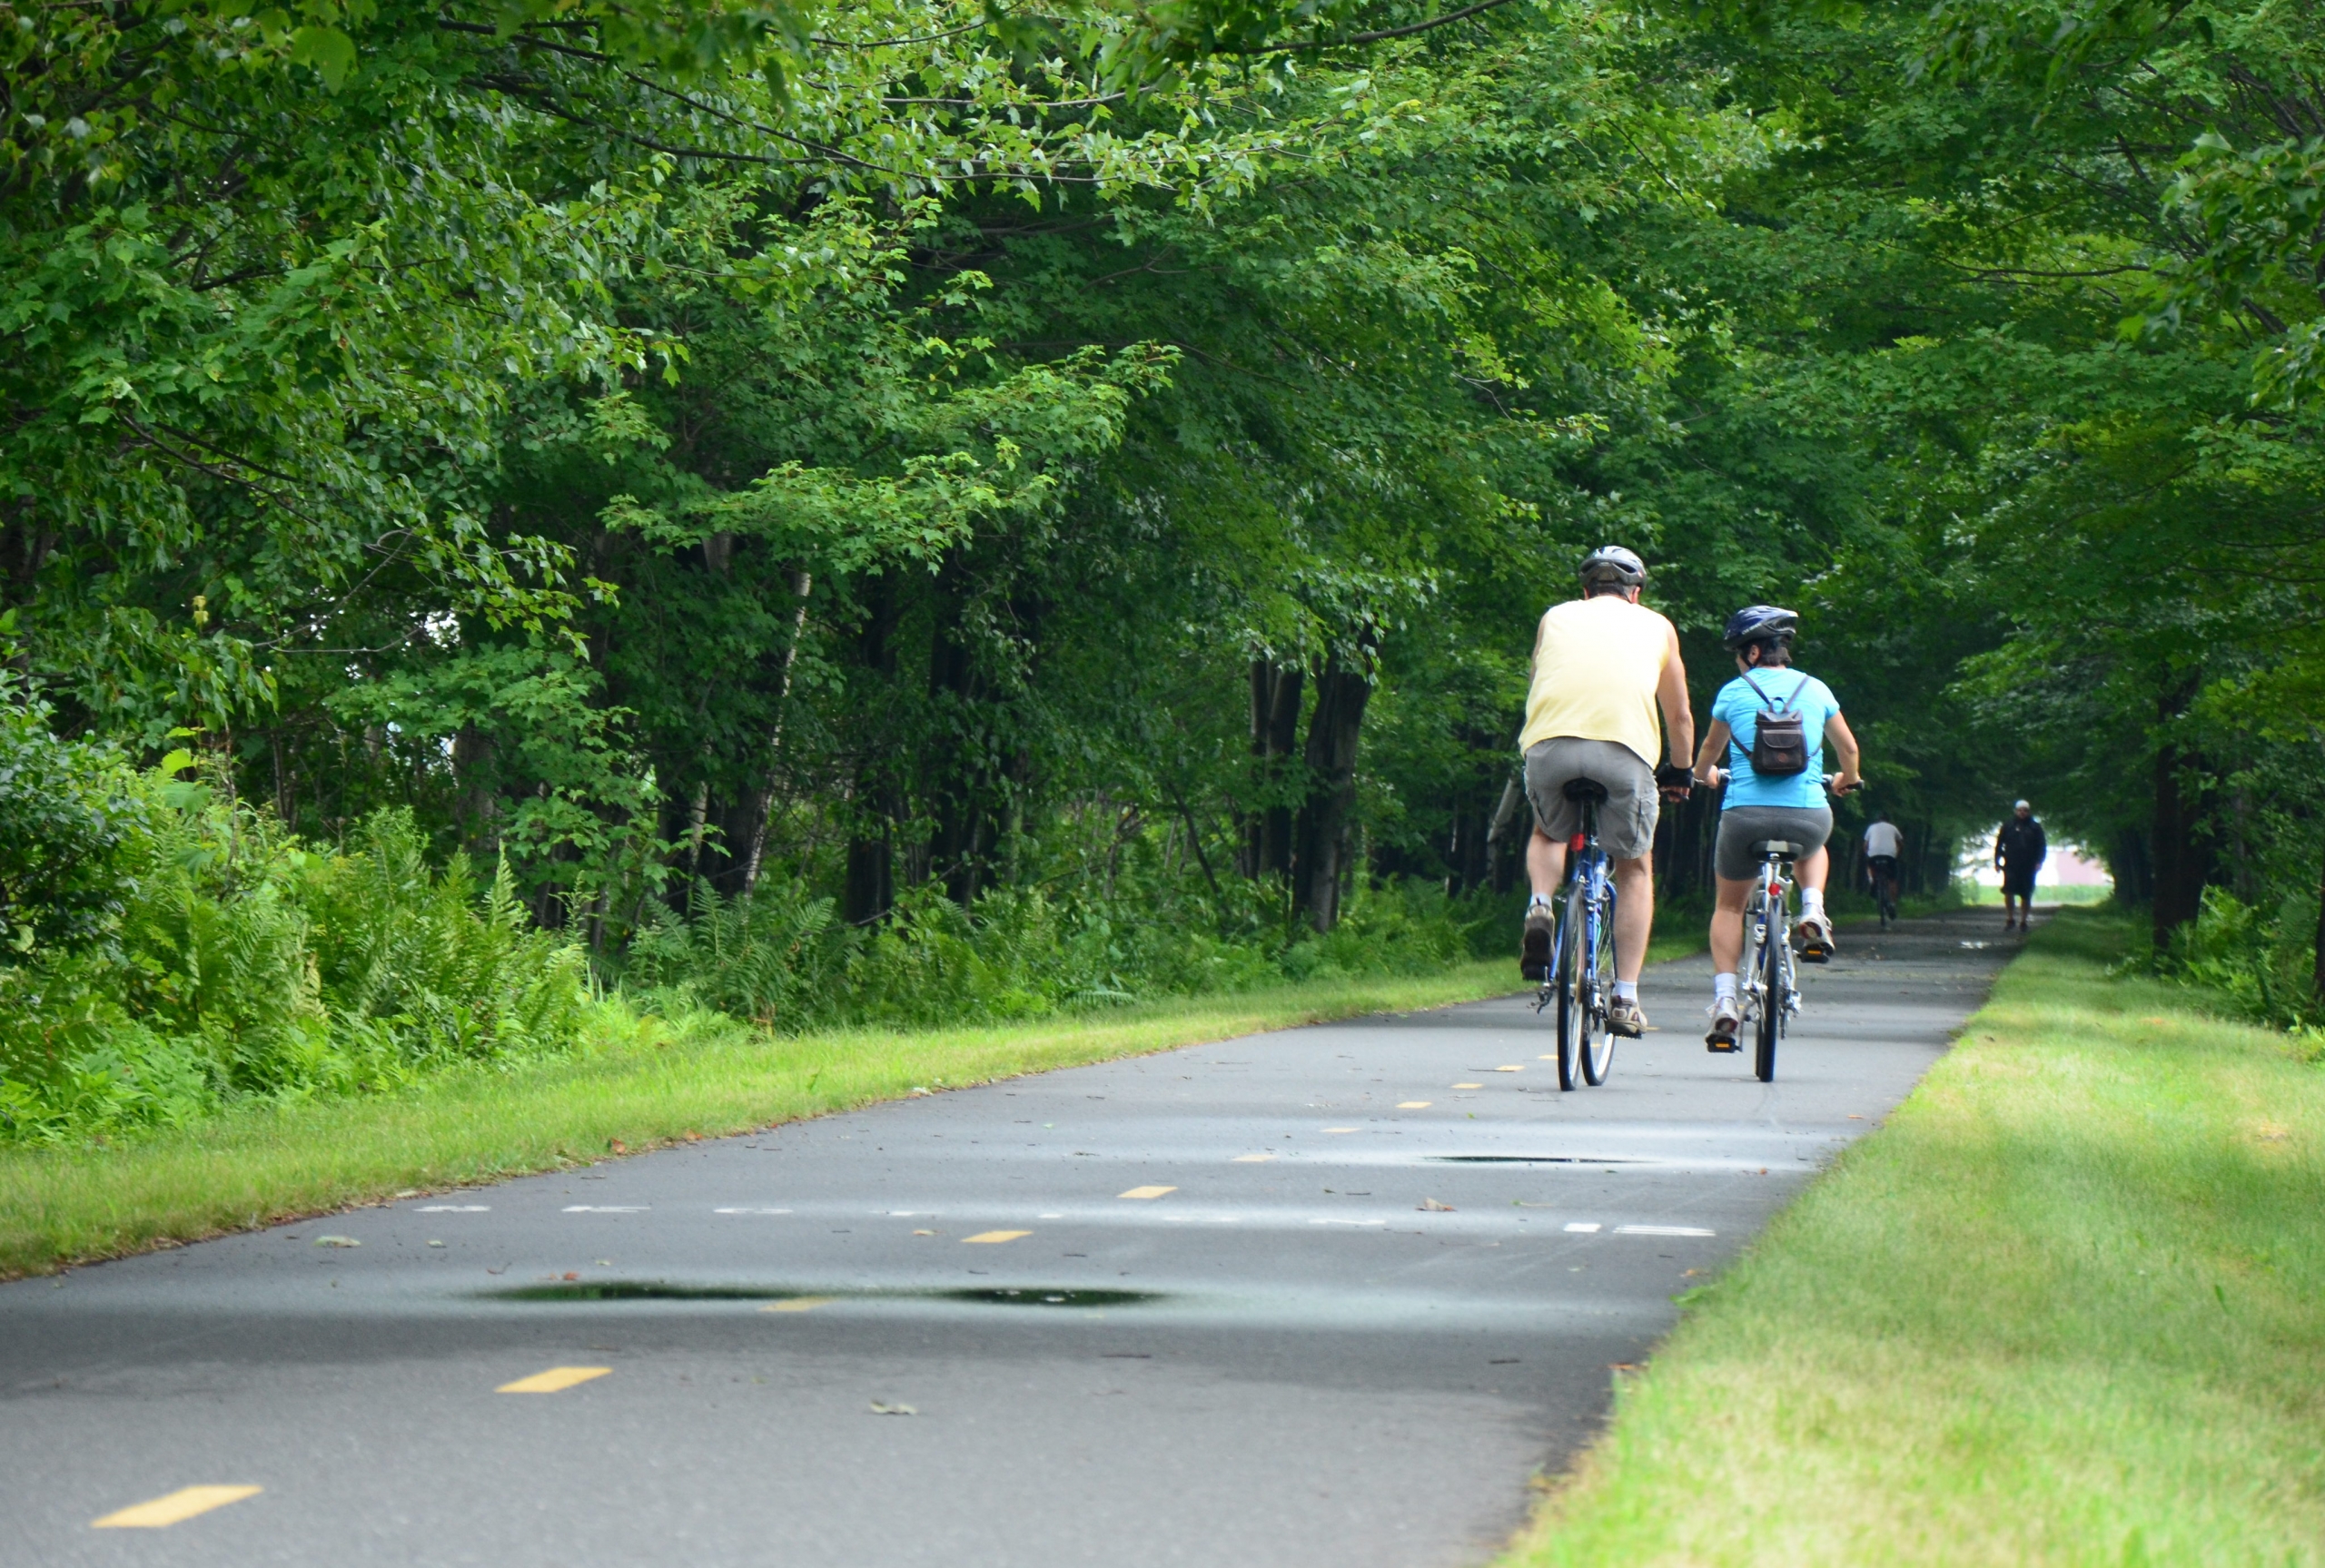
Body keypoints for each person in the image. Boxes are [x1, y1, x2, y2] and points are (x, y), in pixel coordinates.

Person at [1516, 546, 1696, 1037]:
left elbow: (1536, 682)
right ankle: (1625, 996)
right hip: (1624, 751)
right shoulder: (1657, 626)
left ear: (1585, 590)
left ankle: (1539, 904)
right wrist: (1681, 771)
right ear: (1635, 593)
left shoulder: (1555, 618)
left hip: (1549, 745)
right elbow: (1678, 715)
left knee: (1549, 833)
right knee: (1636, 866)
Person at [1690, 606, 1863, 1051]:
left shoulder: (1733, 691)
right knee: (1814, 844)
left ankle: (1726, 1002)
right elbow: (1848, 748)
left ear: (1751, 651)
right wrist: (1848, 778)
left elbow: (1711, 749)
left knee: (1728, 908)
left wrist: (1701, 774)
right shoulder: (1816, 688)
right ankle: (1811, 910)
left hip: (1744, 816)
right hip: (1806, 815)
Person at [1996, 800, 2047, 931]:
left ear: (2028, 812)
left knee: (2026, 893)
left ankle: (2024, 921)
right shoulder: (2007, 826)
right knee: (2009, 891)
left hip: (2028, 866)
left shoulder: (2035, 827)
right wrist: (1997, 861)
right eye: (2020, 810)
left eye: (2025, 810)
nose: (2022, 813)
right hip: (2010, 865)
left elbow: (2042, 846)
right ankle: (2010, 918)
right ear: (2015, 811)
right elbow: (1999, 844)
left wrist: (2039, 862)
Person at [1863, 813, 1904, 921]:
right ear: (1888, 820)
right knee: (1892, 880)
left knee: (1869, 867)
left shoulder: (1871, 827)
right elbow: (1900, 843)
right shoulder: (1893, 828)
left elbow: (1865, 845)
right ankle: (1893, 904)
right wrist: (1897, 854)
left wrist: (1868, 854)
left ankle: (1872, 881)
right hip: (1890, 855)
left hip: (1874, 854)